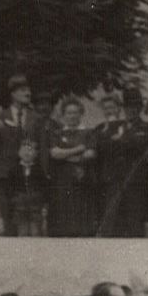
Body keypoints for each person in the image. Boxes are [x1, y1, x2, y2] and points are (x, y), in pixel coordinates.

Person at [0, 75, 44, 234]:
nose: (28, 93)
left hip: (28, 175)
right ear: (13, 94)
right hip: (6, 175)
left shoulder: (36, 118)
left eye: (28, 89)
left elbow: (41, 145)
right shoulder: (0, 117)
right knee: (8, 218)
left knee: (31, 218)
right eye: (23, 90)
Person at [94, 93, 148, 237]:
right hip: (114, 183)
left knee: (134, 225)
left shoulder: (147, 127)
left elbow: (139, 144)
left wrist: (118, 140)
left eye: (135, 107)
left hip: (135, 183)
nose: (131, 110)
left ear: (140, 108)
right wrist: (120, 140)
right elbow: (101, 146)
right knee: (114, 225)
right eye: (127, 107)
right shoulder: (114, 126)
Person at [46, 99, 99, 237]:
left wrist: (67, 155)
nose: (72, 116)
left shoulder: (89, 132)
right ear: (63, 115)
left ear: (81, 114)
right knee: (64, 217)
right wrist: (79, 149)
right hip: (62, 181)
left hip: (82, 181)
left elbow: (90, 153)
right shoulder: (57, 133)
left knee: (81, 217)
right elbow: (54, 153)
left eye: (76, 112)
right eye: (69, 113)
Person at [3, 141, 49, 238]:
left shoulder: (39, 170)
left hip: (35, 206)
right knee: (22, 232)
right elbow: (9, 188)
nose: (27, 153)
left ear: (36, 154)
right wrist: (14, 199)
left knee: (35, 231)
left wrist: (42, 201)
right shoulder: (14, 170)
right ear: (19, 152)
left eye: (30, 150)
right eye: (23, 150)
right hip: (20, 206)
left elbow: (44, 187)